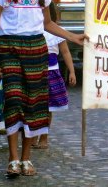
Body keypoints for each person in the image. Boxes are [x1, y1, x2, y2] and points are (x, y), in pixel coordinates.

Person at [0, 0, 87, 176]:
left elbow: (48, 24)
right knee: (13, 99)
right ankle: (12, 158)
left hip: (36, 50)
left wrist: (72, 37)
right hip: (8, 49)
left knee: (34, 102)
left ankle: (27, 158)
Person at [31, 11, 77, 149]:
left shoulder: (58, 33)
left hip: (51, 73)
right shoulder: (32, 30)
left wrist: (72, 72)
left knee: (48, 108)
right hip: (34, 72)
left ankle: (44, 137)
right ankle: (32, 135)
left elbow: (65, 52)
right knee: (33, 106)